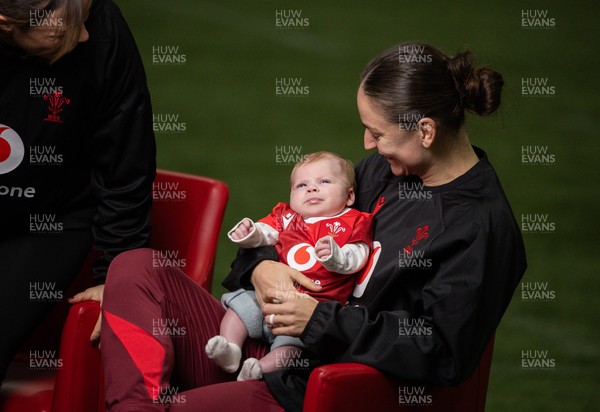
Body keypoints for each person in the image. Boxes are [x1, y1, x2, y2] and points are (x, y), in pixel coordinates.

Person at [100, 42, 526, 412]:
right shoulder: (385, 170)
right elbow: (293, 226)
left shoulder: (479, 225)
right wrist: (261, 268)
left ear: (427, 131)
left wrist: (320, 320)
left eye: (376, 133)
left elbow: (443, 352)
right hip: (263, 341)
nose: (366, 146)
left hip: (318, 390)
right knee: (137, 267)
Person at [0, 0, 155, 384]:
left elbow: (126, 161)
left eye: (86, 21)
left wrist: (121, 276)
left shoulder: (100, 25)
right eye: (64, 31)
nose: (85, 36)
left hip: (48, 222)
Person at [206, 151, 373, 381]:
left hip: (310, 307)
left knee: (292, 347)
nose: (311, 189)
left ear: (350, 195)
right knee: (241, 305)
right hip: (268, 296)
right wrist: (250, 232)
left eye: (324, 182)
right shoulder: (287, 216)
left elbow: (360, 253)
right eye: (301, 185)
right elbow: (265, 233)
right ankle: (230, 348)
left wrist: (337, 257)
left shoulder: (353, 221)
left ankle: (259, 370)